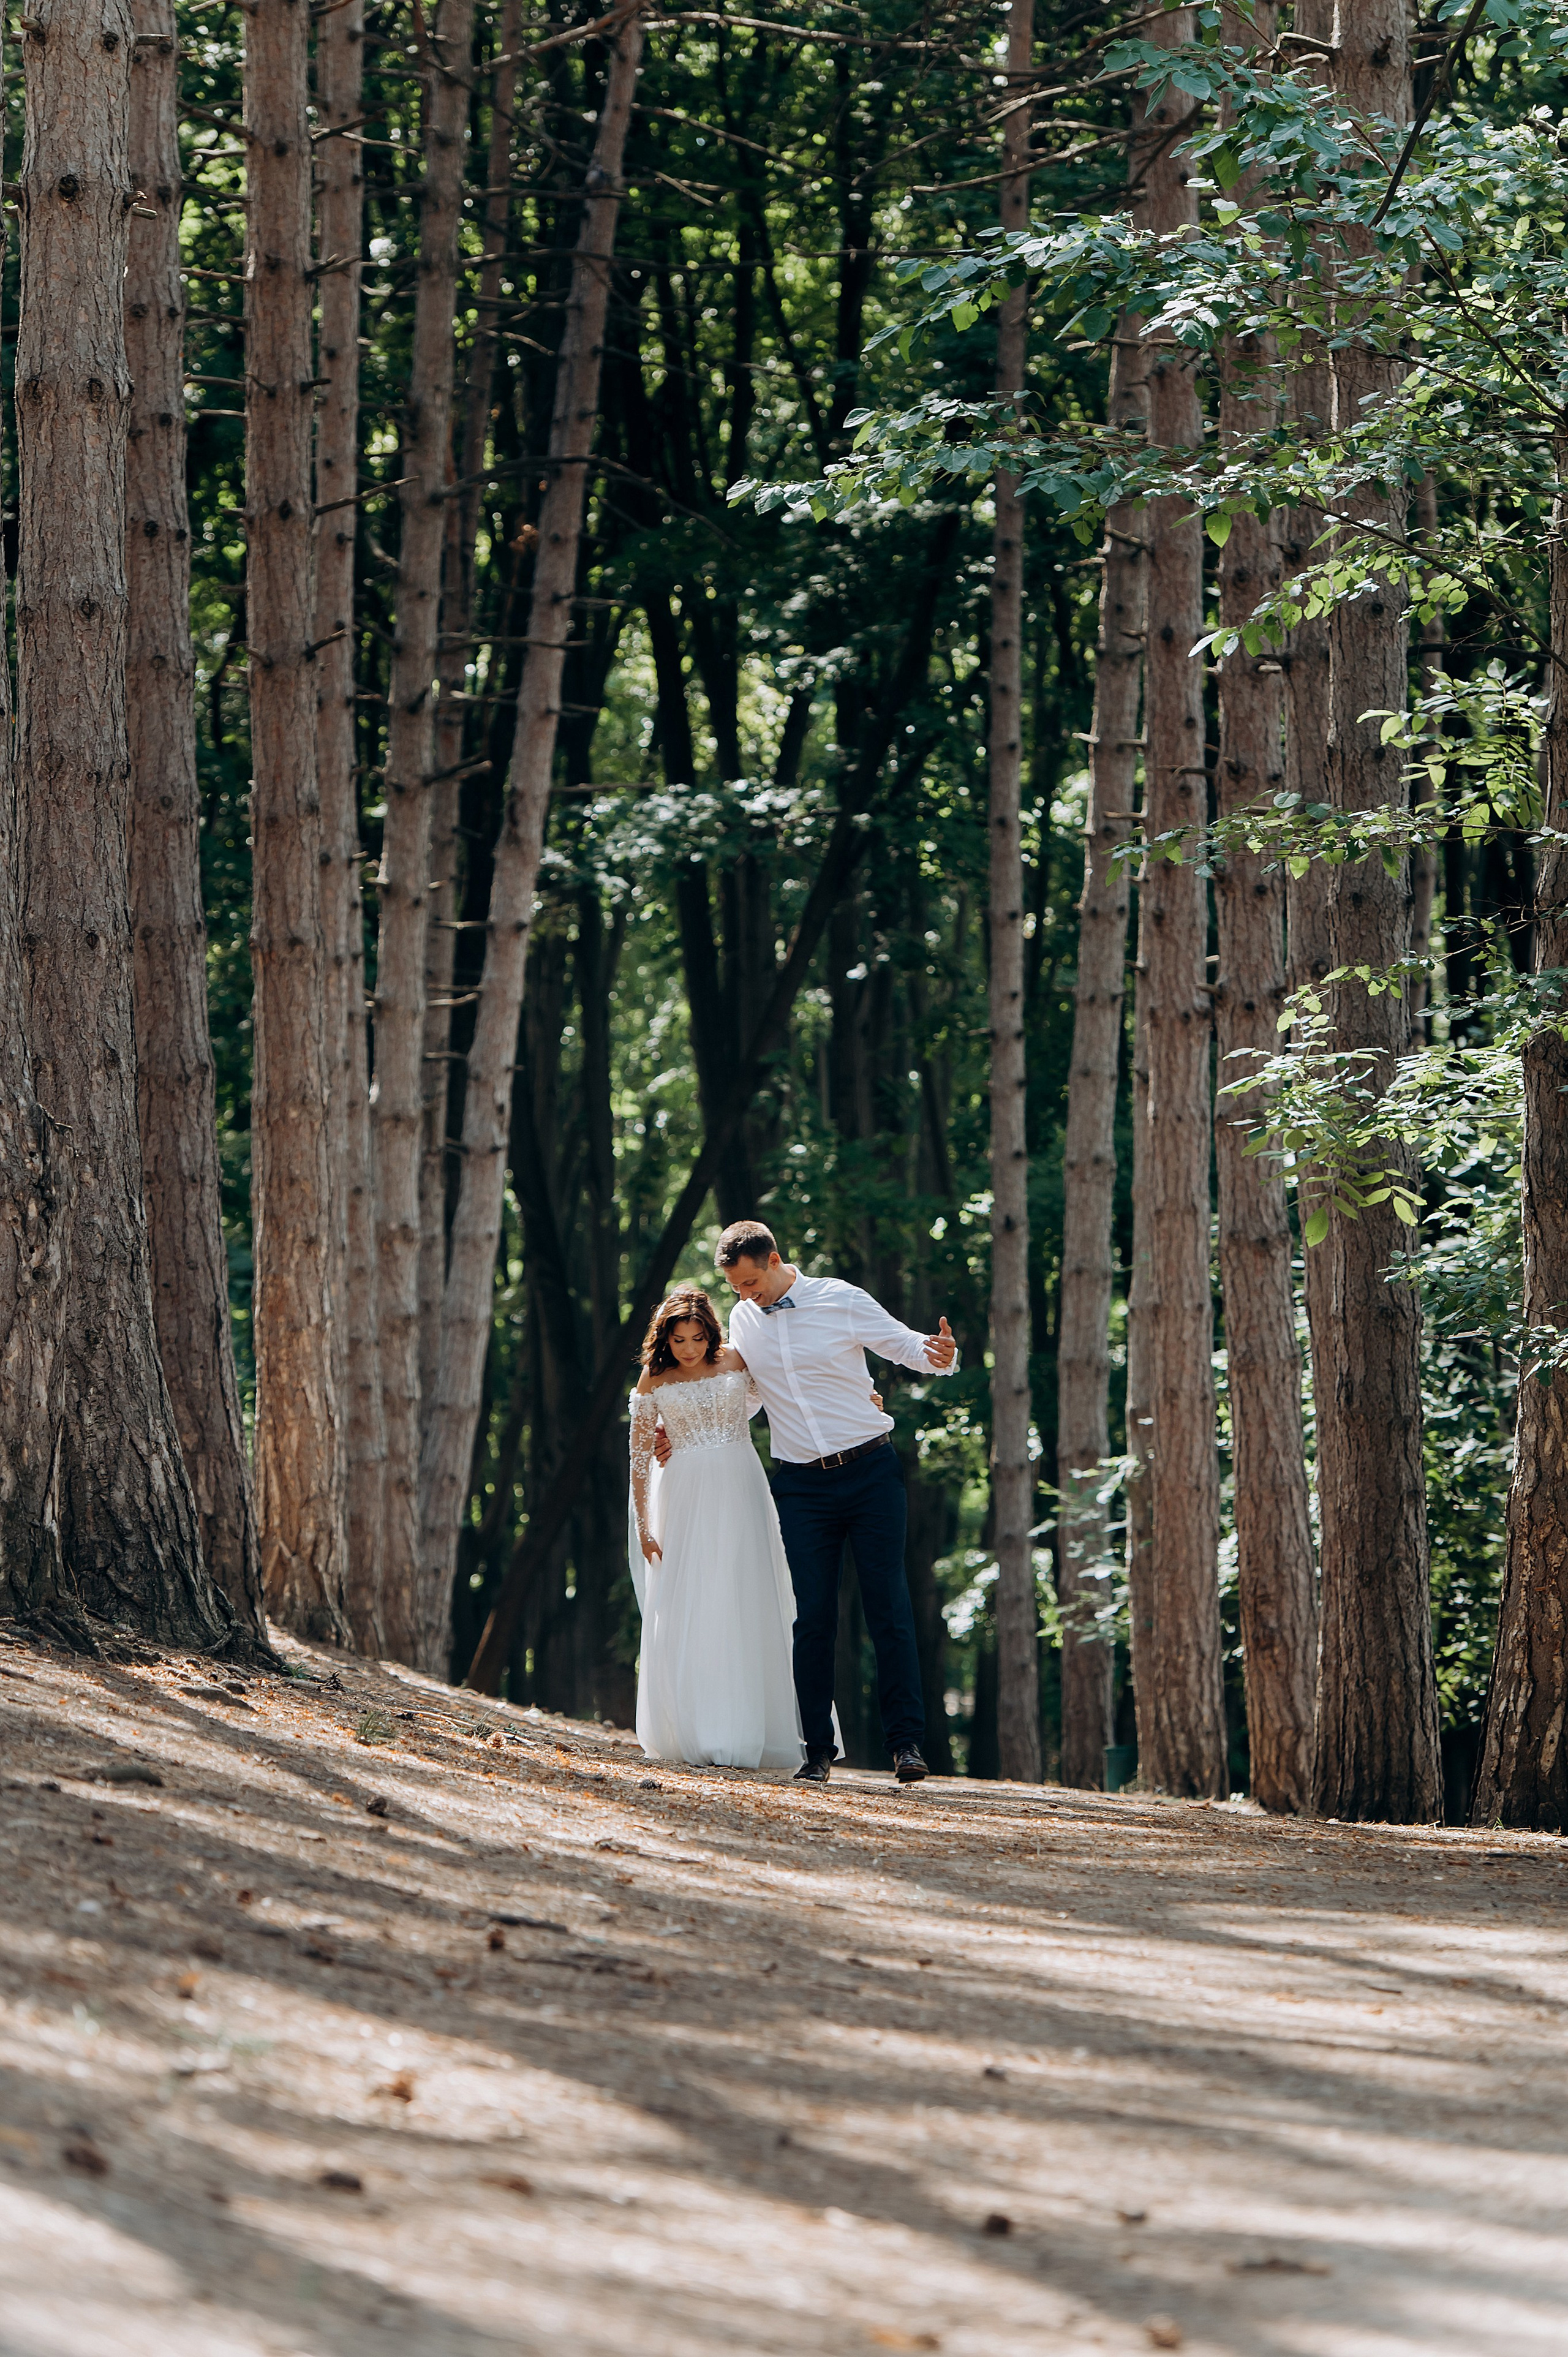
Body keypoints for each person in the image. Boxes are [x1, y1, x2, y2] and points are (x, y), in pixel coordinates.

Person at [671, 1220, 958, 1787]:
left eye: (751, 1281)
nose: (745, 1294)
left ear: (775, 1259)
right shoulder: (742, 1319)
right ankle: (817, 1751)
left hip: (872, 1471)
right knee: (813, 1617)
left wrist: (942, 1354)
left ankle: (905, 1744)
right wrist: (686, 1429)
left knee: (888, 1608)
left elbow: (907, 1347)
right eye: (735, 1287)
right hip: (801, 1485)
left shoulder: (840, 1298)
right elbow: (748, 1396)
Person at [627, 1284, 804, 1771]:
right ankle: (699, 1727)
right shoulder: (654, 1378)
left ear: (711, 1334)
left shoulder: (736, 1362)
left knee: (743, 1595)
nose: (689, 1349)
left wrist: (861, 1393)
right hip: (684, 1492)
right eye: (679, 1340)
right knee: (695, 1599)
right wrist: (644, 1525)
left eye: (697, 1339)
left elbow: (789, 1391)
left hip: (741, 1483)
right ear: (665, 1339)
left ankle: (749, 1729)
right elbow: (640, 1457)